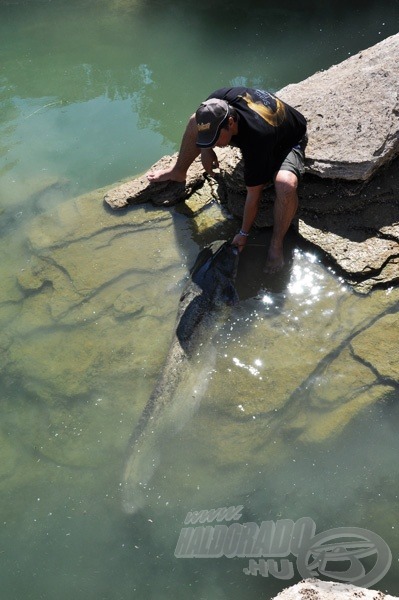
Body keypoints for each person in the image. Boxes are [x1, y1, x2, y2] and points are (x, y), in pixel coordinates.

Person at [147, 87, 307, 273]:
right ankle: (178, 171)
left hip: (287, 139)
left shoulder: (257, 138)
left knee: (285, 185)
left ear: (230, 122)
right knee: (194, 121)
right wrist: (206, 149)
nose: (213, 142)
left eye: (215, 138)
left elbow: (253, 196)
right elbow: (203, 124)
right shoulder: (215, 103)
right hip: (254, 127)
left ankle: (276, 243)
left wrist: (243, 233)